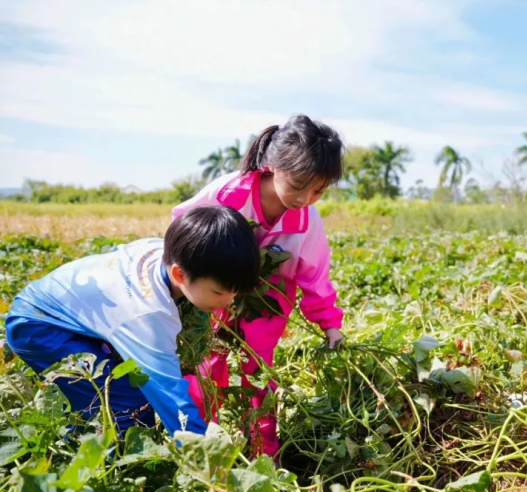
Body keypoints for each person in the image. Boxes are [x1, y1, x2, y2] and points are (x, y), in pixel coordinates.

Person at [4, 206, 260, 436]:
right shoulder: (148, 316)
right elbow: (170, 395)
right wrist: (208, 461)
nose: (229, 301)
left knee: (114, 395)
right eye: (219, 293)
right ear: (179, 274)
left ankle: (84, 435)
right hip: (38, 326)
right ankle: (106, 465)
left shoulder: (170, 252)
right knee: (130, 405)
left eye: (235, 291)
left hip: (64, 312)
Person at [173, 114, 345, 456]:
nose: (305, 198)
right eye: (297, 185)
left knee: (258, 369)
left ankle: (262, 451)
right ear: (273, 166)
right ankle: (198, 443)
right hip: (214, 292)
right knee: (209, 364)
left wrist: (330, 325)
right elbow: (182, 226)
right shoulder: (227, 193)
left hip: (268, 301)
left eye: (318, 191)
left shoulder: (307, 222)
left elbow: (314, 274)